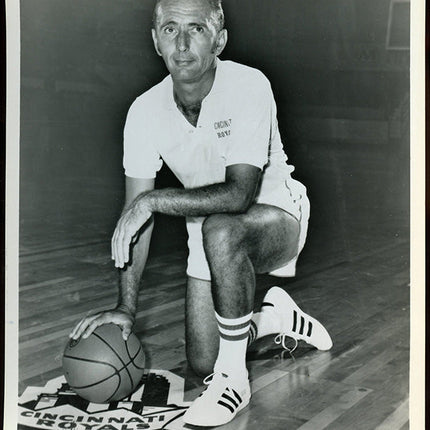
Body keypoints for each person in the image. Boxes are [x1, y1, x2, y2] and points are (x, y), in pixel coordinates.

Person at [70, 0, 332, 426]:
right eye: (170, 29)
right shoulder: (143, 111)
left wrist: (151, 201)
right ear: (155, 41)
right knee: (202, 359)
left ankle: (234, 382)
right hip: (207, 226)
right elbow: (136, 218)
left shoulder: (249, 85)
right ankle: (272, 318)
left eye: (197, 28)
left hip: (277, 214)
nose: (183, 42)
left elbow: (239, 195)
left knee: (223, 230)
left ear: (220, 40)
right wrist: (126, 308)